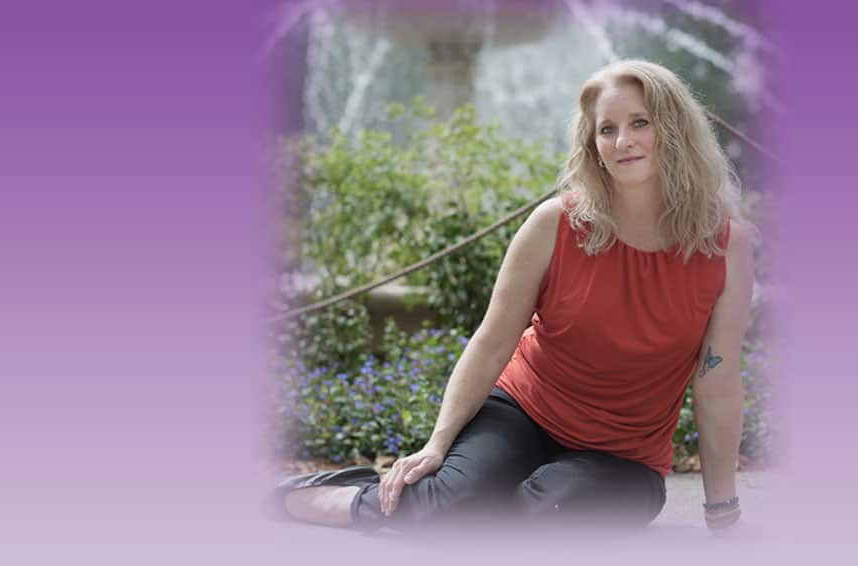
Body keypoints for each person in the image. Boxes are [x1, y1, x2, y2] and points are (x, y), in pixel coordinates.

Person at [276, 59, 753, 535]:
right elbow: (493, 340)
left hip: (623, 457)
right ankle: (343, 496)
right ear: (593, 146)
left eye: (640, 123)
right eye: (606, 129)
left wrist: (722, 509)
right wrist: (436, 446)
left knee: (549, 517)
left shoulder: (725, 246)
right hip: (523, 413)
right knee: (449, 504)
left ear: (673, 129)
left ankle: (477, 503)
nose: (622, 141)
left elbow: (717, 382)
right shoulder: (555, 225)